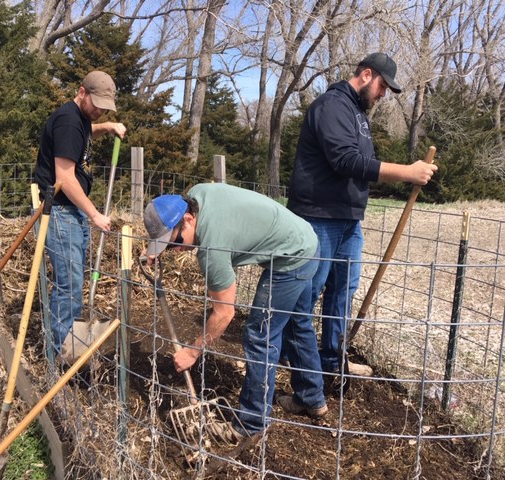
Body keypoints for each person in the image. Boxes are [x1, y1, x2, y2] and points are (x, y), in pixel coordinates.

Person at [287, 52, 438, 379]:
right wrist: (408, 172)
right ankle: (299, 365)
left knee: (342, 293)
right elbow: (346, 161)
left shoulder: (358, 114)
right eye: (383, 86)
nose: (383, 94)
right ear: (366, 74)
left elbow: (359, 165)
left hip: (347, 222)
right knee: (306, 295)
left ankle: (332, 364)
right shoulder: (331, 107)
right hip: (318, 218)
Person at [143, 183, 326, 438]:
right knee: (297, 325)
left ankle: (251, 424)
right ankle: (312, 398)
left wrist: (193, 352)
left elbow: (224, 313)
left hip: (291, 258)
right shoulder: (197, 195)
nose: (176, 251)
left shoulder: (212, 250)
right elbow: (185, 232)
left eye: (174, 243)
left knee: (260, 335)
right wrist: (159, 247)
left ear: (187, 218)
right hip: (307, 240)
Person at [34, 70, 126, 357]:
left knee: (72, 281)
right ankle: (59, 354)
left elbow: (83, 135)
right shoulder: (68, 121)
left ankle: (64, 345)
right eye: (96, 104)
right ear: (81, 92)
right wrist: (95, 214)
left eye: (105, 107)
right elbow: (65, 177)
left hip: (69, 212)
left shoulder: (81, 121)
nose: (99, 111)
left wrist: (106, 126)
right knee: (69, 285)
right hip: (60, 212)